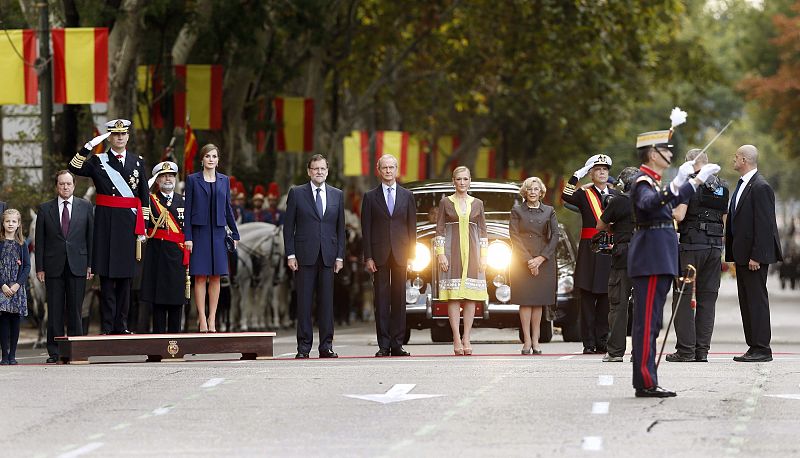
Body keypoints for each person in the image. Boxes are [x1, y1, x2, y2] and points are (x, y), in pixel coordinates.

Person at [629, 128, 720, 397]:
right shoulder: (642, 182)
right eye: (665, 150)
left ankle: (647, 379)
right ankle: (645, 381)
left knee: (653, 322)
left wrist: (691, 184)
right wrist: (685, 182)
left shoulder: (653, 182)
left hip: (657, 259)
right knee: (647, 323)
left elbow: (672, 202)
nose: (669, 154)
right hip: (651, 259)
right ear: (652, 153)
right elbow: (650, 203)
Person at [68, 119, 149, 335]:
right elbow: (73, 167)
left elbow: (144, 196)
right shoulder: (98, 161)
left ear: (128, 137)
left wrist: (144, 227)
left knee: (125, 279)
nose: (120, 137)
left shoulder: (138, 162)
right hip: (105, 224)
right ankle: (106, 327)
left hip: (130, 225)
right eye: (115, 134)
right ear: (109, 137)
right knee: (107, 279)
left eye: (123, 134)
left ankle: (121, 326)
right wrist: (88, 146)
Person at [667, 149, 729, 363]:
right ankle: (701, 351)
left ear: (688, 164)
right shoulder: (722, 186)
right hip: (714, 248)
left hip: (691, 248)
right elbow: (725, 220)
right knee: (708, 298)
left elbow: (679, 215)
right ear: (706, 163)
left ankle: (685, 351)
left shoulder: (689, 184)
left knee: (683, 297)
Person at [284, 154, 346, 358]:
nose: (319, 172)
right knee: (304, 302)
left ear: (327, 171)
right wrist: (291, 254)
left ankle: (326, 346)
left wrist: (340, 256)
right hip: (303, 256)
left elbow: (340, 228)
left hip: (328, 256)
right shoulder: (296, 193)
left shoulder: (337, 194)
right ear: (309, 171)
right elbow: (288, 227)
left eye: (322, 169)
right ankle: (303, 348)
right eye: (315, 169)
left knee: (327, 303)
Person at [725, 144, 782, 362]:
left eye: (736, 157)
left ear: (744, 160)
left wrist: (757, 255)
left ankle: (762, 348)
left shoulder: (760, 187)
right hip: (742, 255)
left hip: (753, 257)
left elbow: (765, 225)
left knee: (756, 301)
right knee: (746, 302)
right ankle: (753, 346)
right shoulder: (742, 185)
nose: (734, 160)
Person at [34, 171, 94, 363]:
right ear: (56, 186)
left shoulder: (85, 207)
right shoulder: (45, 209)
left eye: (68, 184)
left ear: (74, 185)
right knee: (55, 310)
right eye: (61, 184)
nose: (65, 187)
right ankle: (55, 352)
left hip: (78, 265)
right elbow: (40, 241)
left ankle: (76, 351)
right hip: (53, 267)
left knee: (75, 310)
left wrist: (90, 265)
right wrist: (40, 267)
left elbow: (90, 238)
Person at [562, 153, 618, 354]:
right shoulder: (584, 194)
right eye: (597, 170)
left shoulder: (616, 195)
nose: (602, 172)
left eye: (605, 169)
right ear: (591, 174)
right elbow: (565, 195)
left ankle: (603, 341)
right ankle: (588, 342)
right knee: (586, 296)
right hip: (589, 248)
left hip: (609, 247)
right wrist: (577, 175)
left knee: (605, 297)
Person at [361, 154, 417, 357]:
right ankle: (383, 345)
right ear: (379, 170)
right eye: (384, 167)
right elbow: (365, 229)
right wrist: (368, 257)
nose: (388, 171)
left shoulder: (407, 195)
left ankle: (397, 344)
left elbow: (412, 228)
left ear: (397, 169)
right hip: (379, 254)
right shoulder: (369, 197)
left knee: (399, 299)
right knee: (382, 300)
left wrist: (412, 255)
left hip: (402, 253)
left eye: (391, 167)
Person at [184, 144, 240, 333]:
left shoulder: (225, 180)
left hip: (218, 233)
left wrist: (235, 232)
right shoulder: (192, 179)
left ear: (218, 160)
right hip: (199, 232)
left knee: (216, 277)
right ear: (202, 159)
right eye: (207, 156)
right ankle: (201, 318)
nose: (211, 159)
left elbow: (227, 208)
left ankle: (212, 318)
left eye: (214, 156)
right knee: (200, 277)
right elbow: (188, 209)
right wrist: (188, 237)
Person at [435, 166, 489, 356]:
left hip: (473, 253)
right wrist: (441, 253)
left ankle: (467, 337)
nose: (462, 183)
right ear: (453, 181)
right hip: (452, 252)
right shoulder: (445, 202)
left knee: (471, 298)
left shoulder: (478, 203)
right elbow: (439, 229)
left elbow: (483, 231)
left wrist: (484, 255)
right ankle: (456, 338)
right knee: (454, 296)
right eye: (459, 179)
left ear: (470, 181)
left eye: (465, 179)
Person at [509, 177, 558, 355]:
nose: (532, 192)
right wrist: (528, 260)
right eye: (529, 189)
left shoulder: (549, 211)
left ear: (541, 192)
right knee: (525, 301)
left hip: (544, 260)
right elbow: (514, 236)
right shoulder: (517, 211)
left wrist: (540, 259)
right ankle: (526, 341)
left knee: (538, 303)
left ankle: (536, 340)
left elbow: (555, 236)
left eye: (536, 189)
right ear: (525, 192)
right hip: (521, 261)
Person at [596, 166, 639, 363]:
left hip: (623, 255)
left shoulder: (619, 201)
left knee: (618, 304)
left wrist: (616, 226)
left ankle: (615, 352)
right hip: (645, 255)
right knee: (643, 306)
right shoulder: (650, 201)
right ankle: (640, 352)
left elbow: (600, 225)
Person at [141, 161, 188, 334]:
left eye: (171, 176)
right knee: (158, 300)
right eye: (163, 176)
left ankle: (176, 340)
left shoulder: (184, 201)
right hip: (157, 256)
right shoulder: (150, 200)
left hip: (178, 255)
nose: (168, 179)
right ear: (157, 180)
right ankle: (158, 342)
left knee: (177, 299)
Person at [0, 209, 30, 365]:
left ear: (18, 224)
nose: (10, 224)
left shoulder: (22, 244)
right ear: (3, 223)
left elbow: (26, 267)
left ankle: (13, 355)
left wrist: (18, 284)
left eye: (13, 221)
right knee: (4, 320)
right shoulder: (0, 242)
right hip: (2, 288)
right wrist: (2, 285)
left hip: (17, 287)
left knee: (15, 320)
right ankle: (4, 355)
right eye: (7, 221)